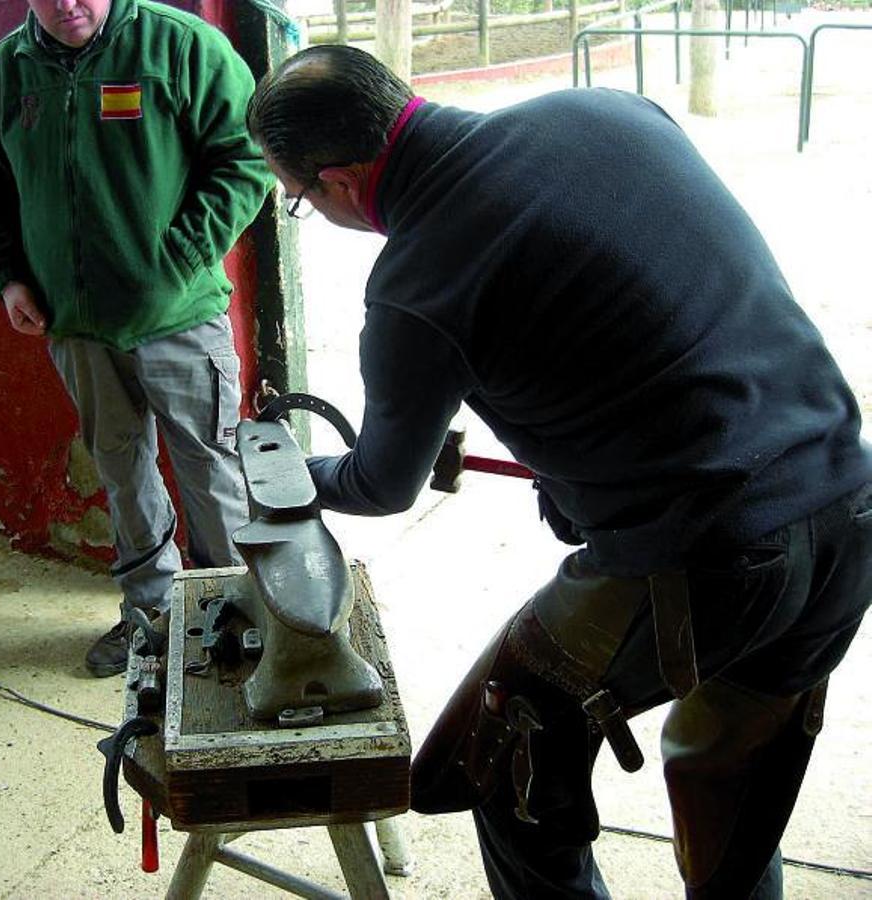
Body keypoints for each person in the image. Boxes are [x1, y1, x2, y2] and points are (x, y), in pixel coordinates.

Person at [247, 45, 872, 900]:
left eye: (299, 198)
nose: (308, 207)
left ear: (342, 182)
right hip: (849, 504)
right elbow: (638, 310)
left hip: (710, 554)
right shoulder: (605, 111)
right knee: (734, 782)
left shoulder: (416, 285)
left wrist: (305, 475)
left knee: (503, 760)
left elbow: (381, 485)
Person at [0, 0, 272, 677]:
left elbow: (248, 158)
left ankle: (238, 616)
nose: (68, 4)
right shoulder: (2, 76)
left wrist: (178, 260)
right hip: (74, 327)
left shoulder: (183, 48)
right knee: (121, 469)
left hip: (180, 318)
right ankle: (151, 618)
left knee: (211, 469)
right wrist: (9, 277)